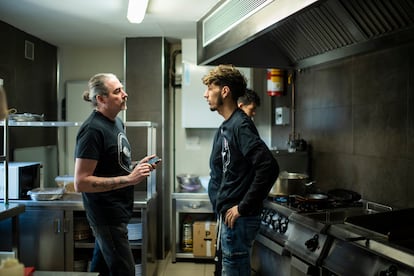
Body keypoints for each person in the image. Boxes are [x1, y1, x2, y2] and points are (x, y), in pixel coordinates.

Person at [74, 73, 160, 276]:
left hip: (118, 211)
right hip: (106, 215)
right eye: (117, 91)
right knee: (125, 271)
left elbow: (113, 163)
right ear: (101, 99)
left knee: (101, 269)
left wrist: (138, 165)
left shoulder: (116, 123)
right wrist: (131, 178)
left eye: (122, 89)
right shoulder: (92, 130)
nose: (125, 94)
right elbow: (81, 182)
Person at [202, 64, 279, 276]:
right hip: (229, 218)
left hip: (239, 219)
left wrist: (242, 207)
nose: (205, 94)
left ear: (224, 91)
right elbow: (222, 170)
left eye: (210, 88)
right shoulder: (227, 126)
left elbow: (269, 167)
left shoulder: (240, 125)